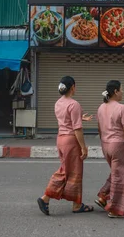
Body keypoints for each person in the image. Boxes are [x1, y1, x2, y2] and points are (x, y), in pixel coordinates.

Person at [37, 76, 94, 215]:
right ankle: (45, 198)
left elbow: (66, 119)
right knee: (68, 171)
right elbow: (77, 129)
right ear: (73, 87)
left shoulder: (58, 103)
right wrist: (83, 147)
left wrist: (80, 117)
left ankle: (77, 203)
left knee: (69, 170)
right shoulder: (74, 104)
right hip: (71, 141)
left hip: (61, 139)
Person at [95, 80, 124, 218]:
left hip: (105, 145)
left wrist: (105, 142)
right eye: (122, 89)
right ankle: (115, 209)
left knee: (116, 173)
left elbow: (99, 129)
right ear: (115, 91)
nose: (123, 92)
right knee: (121, 176)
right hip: (118, 146)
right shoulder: (122, 108)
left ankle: (103, 196)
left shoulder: (101, 107)